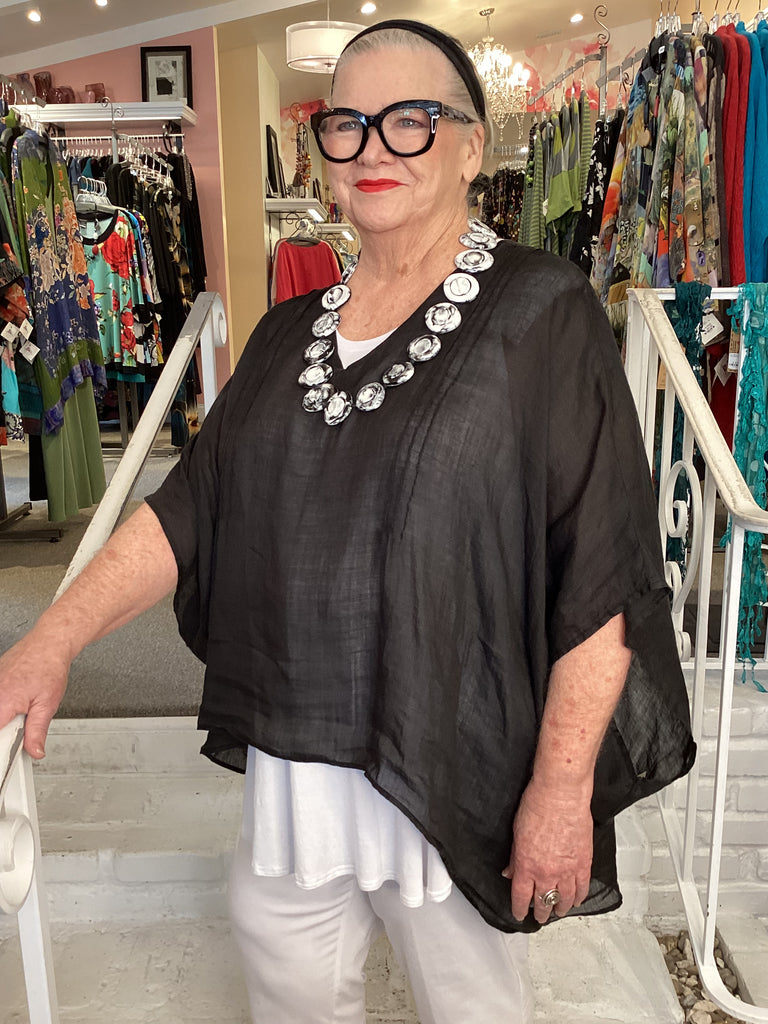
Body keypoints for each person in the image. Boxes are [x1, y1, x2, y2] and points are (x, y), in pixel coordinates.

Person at [0, 20, 695, 1024]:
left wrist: (558, 788)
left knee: (473, 1007)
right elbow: (188, 511)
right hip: (297, 769)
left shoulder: (541, 314)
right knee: (287, 994)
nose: (373, 147)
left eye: (411, 119)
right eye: (347, 123)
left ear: (471, 147)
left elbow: (601, 570)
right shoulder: (285, 334)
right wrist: (53, 637)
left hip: (452, 756)